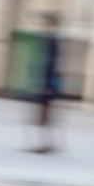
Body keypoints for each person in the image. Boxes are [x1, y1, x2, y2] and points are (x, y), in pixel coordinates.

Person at [30, 11, 62, 154]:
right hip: (49, 84)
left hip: (48, 85)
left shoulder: (53, 40)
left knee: (44, 115)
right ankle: (47, 144)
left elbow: (51, 65)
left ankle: (46, 144)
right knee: (44, 115)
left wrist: (46, 86)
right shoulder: (53, 39)